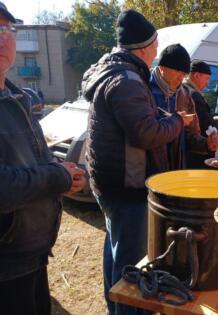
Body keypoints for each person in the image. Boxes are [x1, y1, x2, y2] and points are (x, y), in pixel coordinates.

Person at [82, 10, 184, 315]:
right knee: (130, 266)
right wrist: (176, 121)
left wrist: (162, 118)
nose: (156, 50)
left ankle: (114, 307)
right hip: (127, 186)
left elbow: (137, 122)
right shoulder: (126, 79)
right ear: (142, 49)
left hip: (110, 183)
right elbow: (146, 133)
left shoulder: (118, 73)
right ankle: (123, 310)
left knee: (116, 250)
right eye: (155, 45)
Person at [0, 2, 86, 314]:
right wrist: (56, 177)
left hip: (32, 255)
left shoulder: (17, 97)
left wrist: (65, 174)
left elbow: (39, 156)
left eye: (4, 30)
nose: (0, 40)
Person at [150, 44, 217, 170]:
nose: (181, 78)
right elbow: (144, 132)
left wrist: (205, 144)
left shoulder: (184, 94)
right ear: (162, 67)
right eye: (177, 72)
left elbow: (190, 134)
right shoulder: (145, 89)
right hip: (149, 170)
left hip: (176, 167)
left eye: (184, 73)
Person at [184, 60, 218, 168]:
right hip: (198, 153)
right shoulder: (194, 95)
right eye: (207, 78)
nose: (208, 83)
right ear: (197, 75)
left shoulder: (184, 90)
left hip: (189, 150)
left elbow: (199, 118)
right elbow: (205, 125)